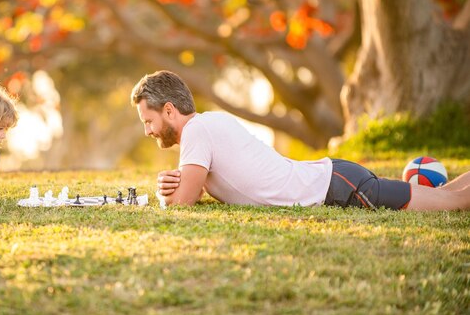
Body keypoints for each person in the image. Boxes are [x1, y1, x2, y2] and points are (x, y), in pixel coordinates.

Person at [130, 70, 470, 211]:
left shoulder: (196, 131)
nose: (148, 131)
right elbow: (197, 191)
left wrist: (170, 194)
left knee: (452, 203)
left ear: (170, 110)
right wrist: (173, 187)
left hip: (336, 186)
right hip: (334, 178)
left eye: (149, 120)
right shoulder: (207, 126)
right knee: (445, 195)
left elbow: (185, 202)